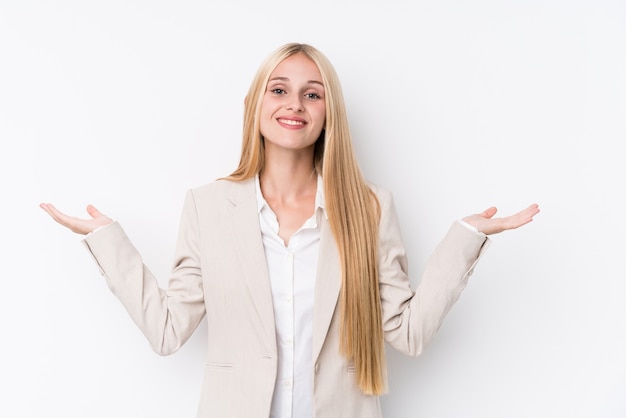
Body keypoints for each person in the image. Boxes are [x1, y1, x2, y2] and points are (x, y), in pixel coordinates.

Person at [40, 42, 540, 418]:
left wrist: (465, 238)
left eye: (312, 94)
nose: (294, 104)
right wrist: (108, 240)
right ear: (255, 105)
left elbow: (406, 334)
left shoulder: (368, 208)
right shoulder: (208, 206)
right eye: (279, 89)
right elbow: (168, 331)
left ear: (329, 113)